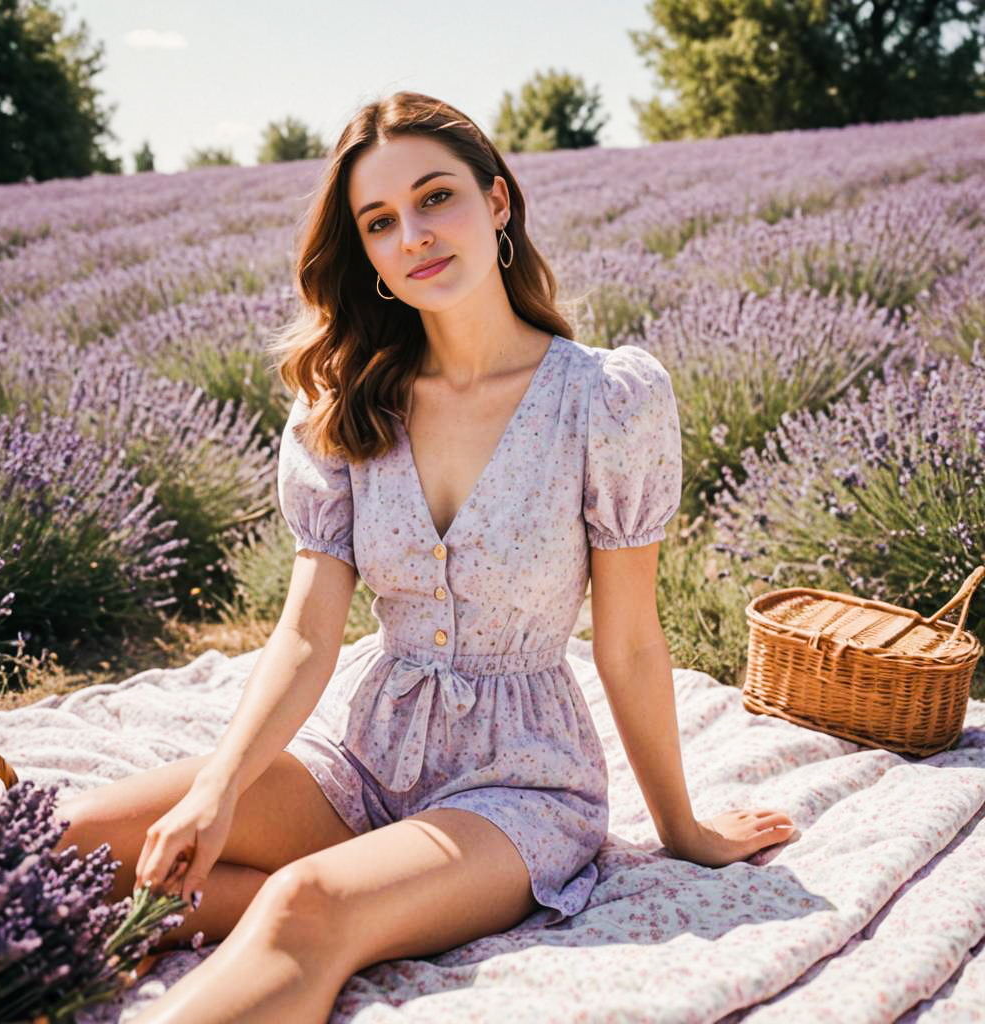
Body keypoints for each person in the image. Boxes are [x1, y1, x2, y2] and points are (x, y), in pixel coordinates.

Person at [51, 90, 796, 1023]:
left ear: (497, 202)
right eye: (380, 220)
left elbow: (633, 644)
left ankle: (295, 919)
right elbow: (305, 634)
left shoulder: (605, 400)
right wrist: (218, 785)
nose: (414, 234)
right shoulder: (347, 402)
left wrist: (682, 830)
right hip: (362, 755)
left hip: (519, 784)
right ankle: (185, 921)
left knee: (304, 905)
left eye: (436, 197)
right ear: (364, 252)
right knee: (67, 844)